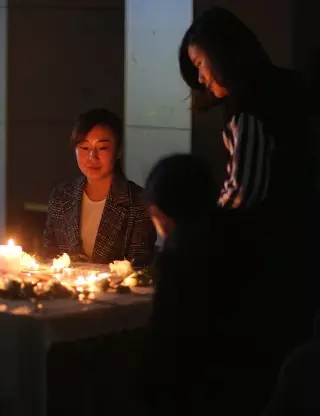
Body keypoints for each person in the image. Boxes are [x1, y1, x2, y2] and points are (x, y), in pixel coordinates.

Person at [179, 5, 320, 390]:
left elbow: (245, 190)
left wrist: (200, 231)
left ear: (222, 53)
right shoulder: (287, 86)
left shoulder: (250, 107)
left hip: (272, 260)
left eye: (200, 64)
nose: (200, 77)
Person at [139, 154, 272, 415]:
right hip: (257, 384)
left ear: (163, 212)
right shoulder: (245, 236)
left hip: (201, 391)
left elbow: (165, 345)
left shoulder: (181, 258)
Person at [43, 108, 156, 267]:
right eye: (84, 148)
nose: (92, 157)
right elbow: (50, 256)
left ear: (118, 151)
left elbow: (139, 267)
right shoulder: (61, 196)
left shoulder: (138, 203)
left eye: (102, 148)